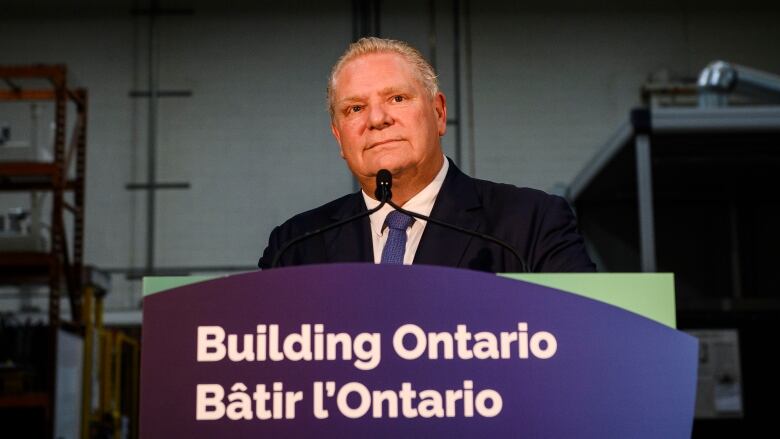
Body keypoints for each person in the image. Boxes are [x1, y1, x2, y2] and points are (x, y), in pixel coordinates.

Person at [258, 37, 595, 273]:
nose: (377, 119)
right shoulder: (294, 247)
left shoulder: (530, 223)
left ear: (438, 113)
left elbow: (583, 339)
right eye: (355, 108)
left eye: (397, 99)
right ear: (339, 137)